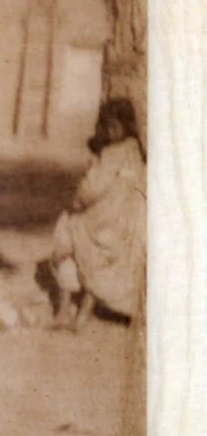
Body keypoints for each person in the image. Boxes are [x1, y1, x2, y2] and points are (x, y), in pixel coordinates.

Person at [51, 97, 144, 327]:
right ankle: (82, 315)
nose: (111, 132)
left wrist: (77, 203)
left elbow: (92, 187)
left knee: (66, 237)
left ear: (126, 126)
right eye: (108, 127)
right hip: (121, 225)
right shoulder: (136, 153)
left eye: (114, 127)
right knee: (99, 266)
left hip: (100, 219)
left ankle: (64, 310)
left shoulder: (112, 154)